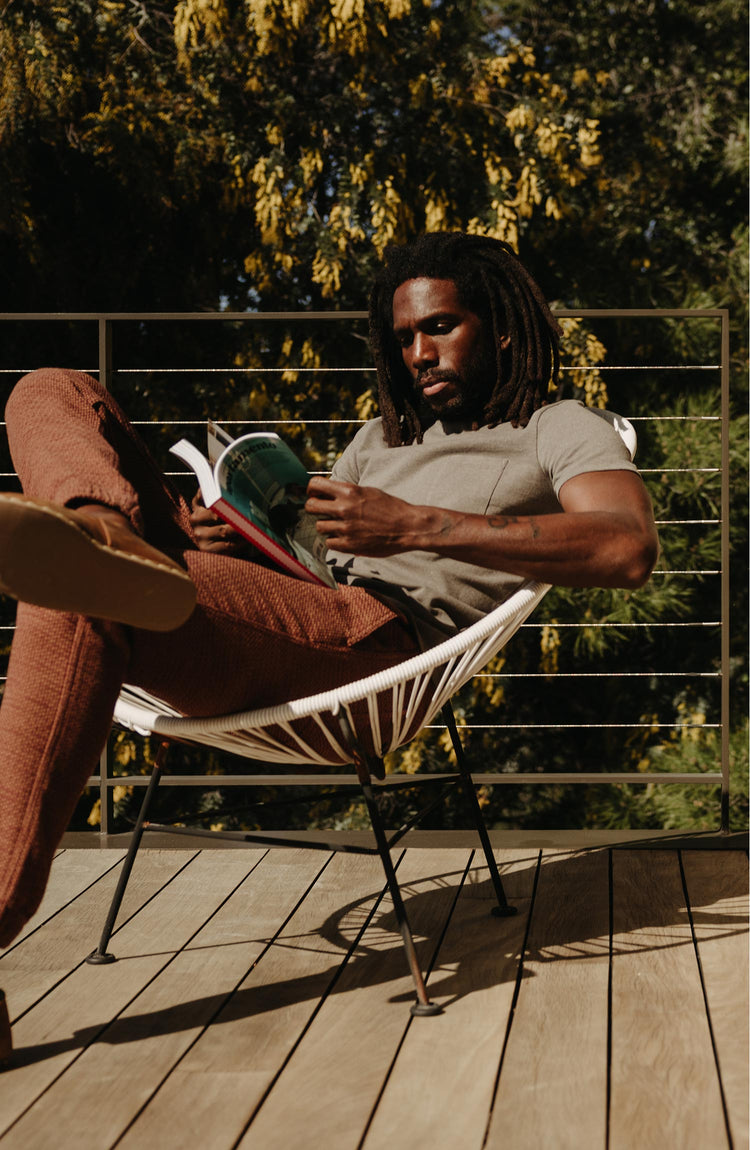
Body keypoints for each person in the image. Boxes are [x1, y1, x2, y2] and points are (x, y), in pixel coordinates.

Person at [0, 232, 658, 1064]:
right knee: (51, 388)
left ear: (500, 327)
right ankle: (108, 529)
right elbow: (310, 560)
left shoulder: (554, 425)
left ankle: (105, 557)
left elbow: (627, 546)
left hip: (373, 642)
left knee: (75, 591)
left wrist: (417, 526)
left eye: (442, 327)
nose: (419, 353)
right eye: (404, 339)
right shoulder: (381, 439)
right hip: (289, 607)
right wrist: (231, 538)